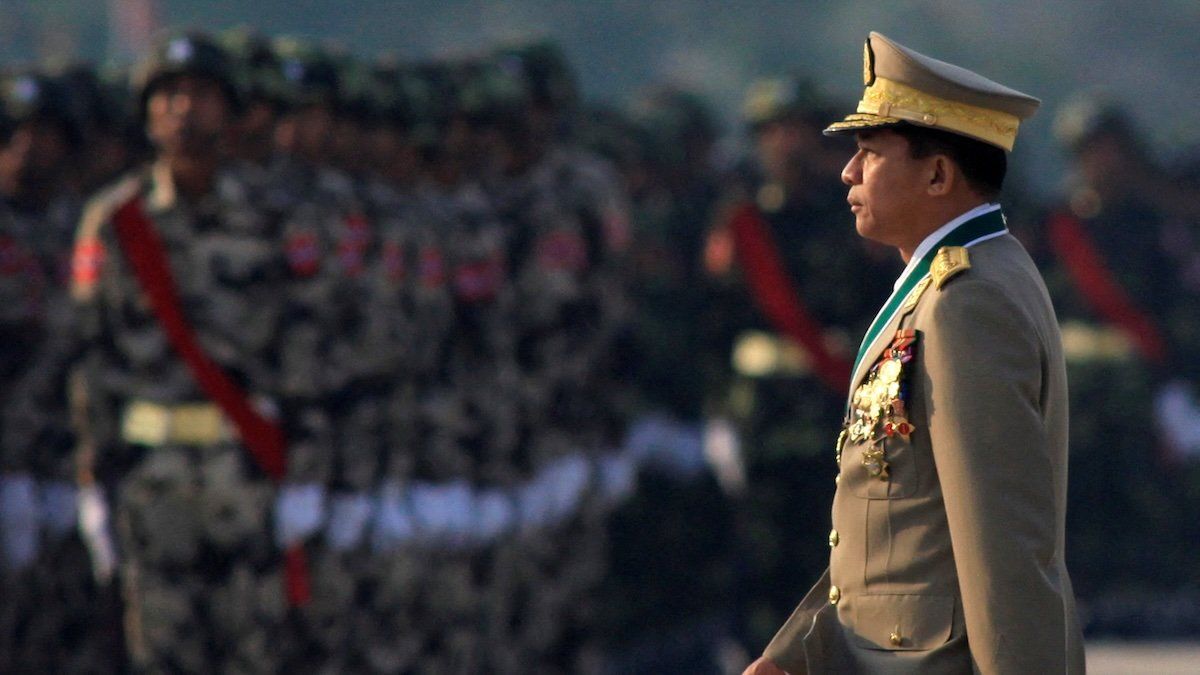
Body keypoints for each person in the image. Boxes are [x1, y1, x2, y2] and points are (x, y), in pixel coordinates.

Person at [744, 32, 1085, 674]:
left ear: (937, 174)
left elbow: (1004, 546)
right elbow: (894, 520)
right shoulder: (958, 279)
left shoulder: (966, 302)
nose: (847, 171)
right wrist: (794, 655)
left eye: (869, 153)